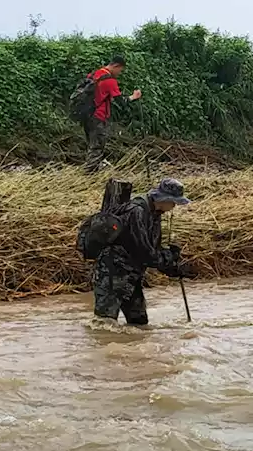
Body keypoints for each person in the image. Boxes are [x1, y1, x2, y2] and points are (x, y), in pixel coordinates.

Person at [93, 177, 191, 325]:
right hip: (113, 274)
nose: (174, 206)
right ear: (165, 199)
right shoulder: (136, 211)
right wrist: (167, 263)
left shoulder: (155, 214)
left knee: (139, 324)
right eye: (174, 202)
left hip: (133, 276)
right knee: (104, 324)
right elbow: (144, 252)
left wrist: (170, 261)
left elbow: (152, 248)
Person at [82, 55, 142, 171]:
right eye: (120, 70)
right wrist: (133, 97)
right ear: (116, 66)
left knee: (91, 145)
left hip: (86, 115)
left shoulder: (95, 74)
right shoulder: (109, 80)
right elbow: (121, 102)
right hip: (99, 116)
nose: (119, 73)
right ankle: (90, 175)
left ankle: (92, 169)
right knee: (97, 147)